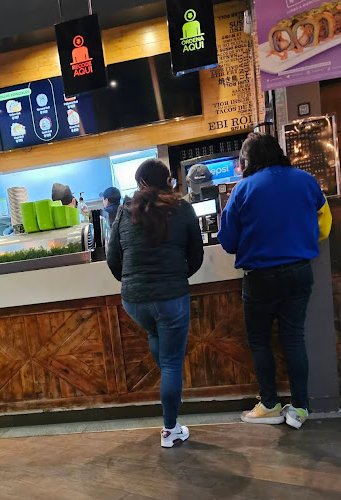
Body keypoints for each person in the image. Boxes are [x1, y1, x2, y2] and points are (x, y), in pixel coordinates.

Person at [217, 133, 332, 430]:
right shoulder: (306, 180)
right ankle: (300, 409)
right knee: (294, 338)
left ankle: (270, 405)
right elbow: (324, 225)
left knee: (260, 341)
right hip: (299, 270)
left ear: (247, 160)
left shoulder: (242, 190)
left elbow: (227, 241)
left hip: (260, 277)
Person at [107, 158, 204, 448]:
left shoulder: (124, 212)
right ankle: (170, 429)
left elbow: (113, 259)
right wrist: (177, 277)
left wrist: (131, 281)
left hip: (134, 301)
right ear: (169, 182)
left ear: (140, 183)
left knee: (155, 337)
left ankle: (169, 392)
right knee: (172, 363)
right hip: (171, 297)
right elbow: (196, 256)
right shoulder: (183, 209)